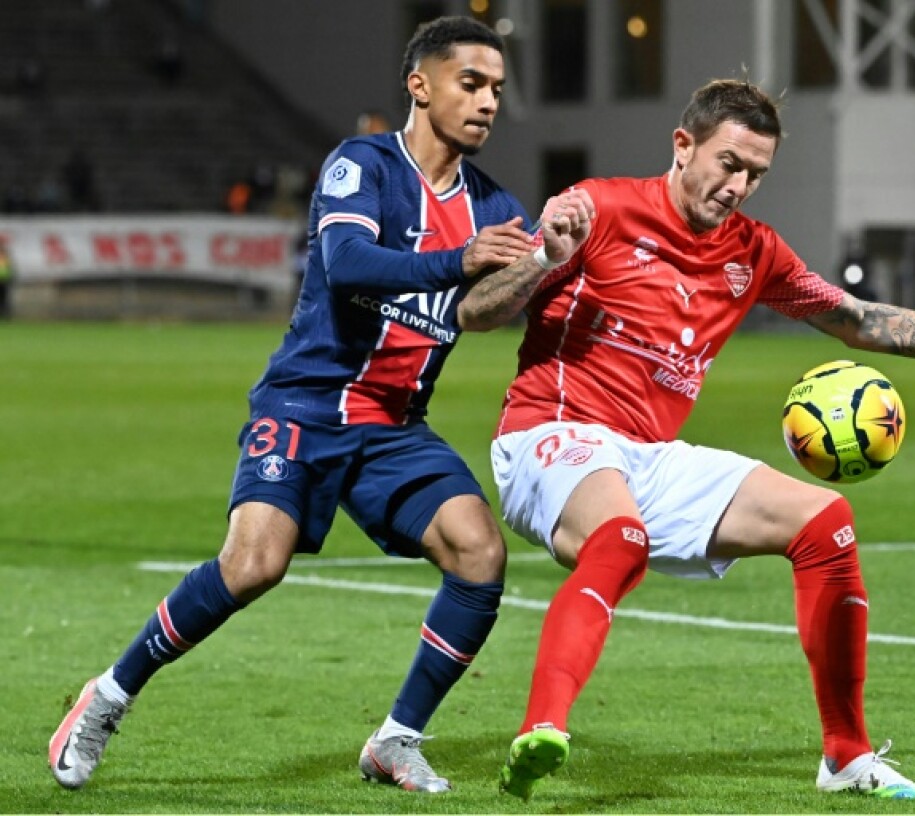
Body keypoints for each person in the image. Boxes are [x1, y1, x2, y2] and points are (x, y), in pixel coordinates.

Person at [488, 79, 915, 802]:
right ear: (682, 145)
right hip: (550, 435)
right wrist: (539, 259)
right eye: (728, 162)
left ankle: (847, 756)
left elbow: (860, 321)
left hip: (645, 456)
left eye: (755, 173)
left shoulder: (754, 252)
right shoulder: (601, 206)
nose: (738, 185)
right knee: (621, 539)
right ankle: (543, 729)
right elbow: (480, 311)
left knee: (826, 525)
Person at [49, 16, 595, 795]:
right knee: (252, 565)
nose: (487, 103)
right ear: (421, 84)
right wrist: (458, 259)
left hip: (394, 424)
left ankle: (395, 740)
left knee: (480, 553)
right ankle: (107, 696)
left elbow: (482, 311)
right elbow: (344, 263)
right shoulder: (362, 163)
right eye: (470, 83)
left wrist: (544, 257)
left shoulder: (494, 204)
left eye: (497, 90)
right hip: (307, 404)